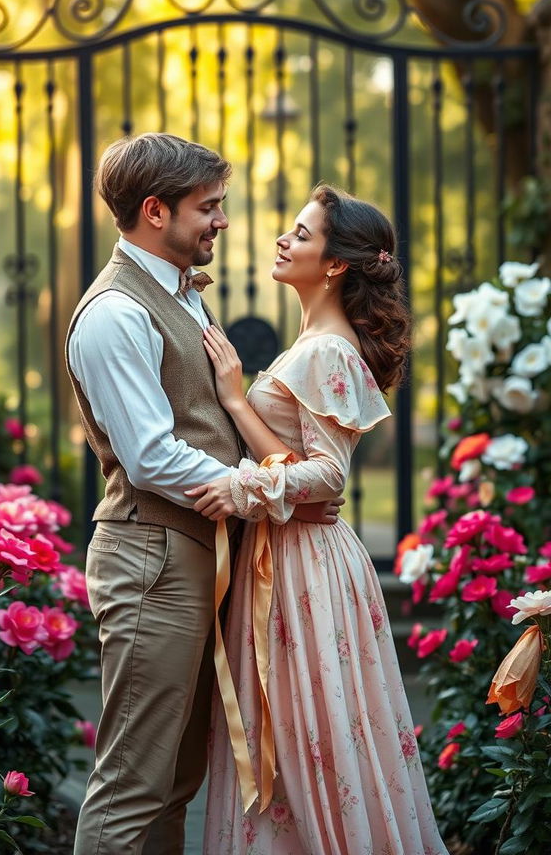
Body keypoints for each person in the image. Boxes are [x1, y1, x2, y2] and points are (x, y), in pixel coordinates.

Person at [65, 133, 341, 855]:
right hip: (152, 560)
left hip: (193, 557)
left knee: (176, 779)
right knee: (133, 782)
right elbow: (153, 457)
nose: (221, 221)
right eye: (207, 208)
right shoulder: (115, 314)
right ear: (154, 211)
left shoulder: (181, 297)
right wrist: (270, 490)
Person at [189, 184, 448, 854]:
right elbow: (294, 460)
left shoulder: (329, 351)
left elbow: (327, 476)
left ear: (335, 264)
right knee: (294, 735)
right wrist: (237, 400)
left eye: (300, 234)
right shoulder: (315, 343)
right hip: (286, 559)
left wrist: (238, 488)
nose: (284, 239)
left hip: (303, 569)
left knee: (311, 740)